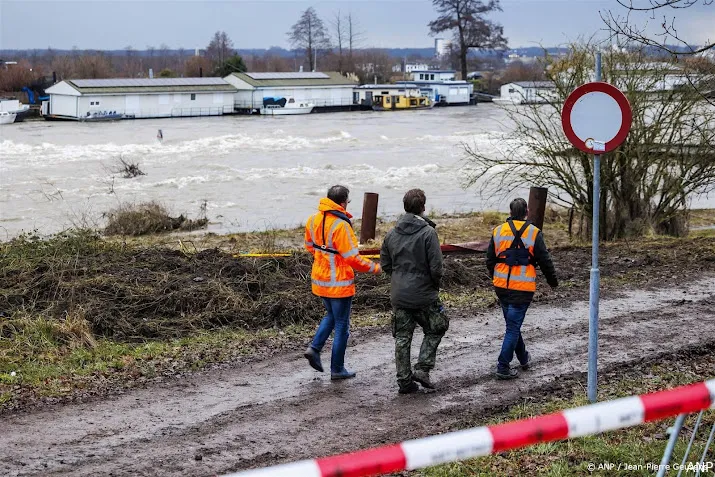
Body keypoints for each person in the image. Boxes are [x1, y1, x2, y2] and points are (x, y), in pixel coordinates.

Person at [303, 185, 382, 380]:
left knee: (331, 315)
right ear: (342, 202)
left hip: (320, 280)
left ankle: (314, 348)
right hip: (339, 282)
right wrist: (375, 268)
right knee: (341, 326)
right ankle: (337, 369)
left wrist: (324, 259)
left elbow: (309, 246)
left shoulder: (313, 220)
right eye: (348, 201)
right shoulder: (341, 225)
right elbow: (353, 259)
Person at [380, 189, 448, 394]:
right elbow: (437, 267)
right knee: (438, 326)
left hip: (399, 294)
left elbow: (385, 264)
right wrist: (433, 285)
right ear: (423, 207)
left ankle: (404, 381)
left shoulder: (391, 233)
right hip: (424, 294)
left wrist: (399, 279)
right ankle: (423, 367)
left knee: (402, 338)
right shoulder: (428, 233)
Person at [486, 198, 558, 380]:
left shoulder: (498, 231)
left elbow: (490, 260)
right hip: (523, 288)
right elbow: (545, 260)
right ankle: (503, 365)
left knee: (512, 325)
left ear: (510, 213)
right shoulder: (534, 233)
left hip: (501, 286)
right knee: (513, 327)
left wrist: (494, 276)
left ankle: (523, 358)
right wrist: (553, 281)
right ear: (526, 212)